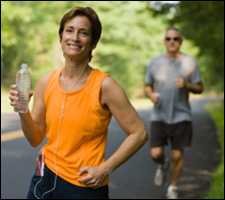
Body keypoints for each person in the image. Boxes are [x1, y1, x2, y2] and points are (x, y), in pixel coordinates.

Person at [9, 7, 147, 199]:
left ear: (93, 43)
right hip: (44, 176)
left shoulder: (105, 86)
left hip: (83, 186)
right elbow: (35, 139)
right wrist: (22, 110)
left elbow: (139, 133)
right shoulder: (45, 82)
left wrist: (105, 168)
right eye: (69, 30)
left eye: (83, 33)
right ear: (61, 37)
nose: (75, 37)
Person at [144, 27, 204, 199]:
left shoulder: (189, 62)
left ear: (181, 42)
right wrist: (150, 95)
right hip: (159, 115)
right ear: (164, 41)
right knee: (156, 153)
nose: (172, 42)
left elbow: (200, 87)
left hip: (181, 115)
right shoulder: (155, 62)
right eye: (169, 38)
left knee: (177, 155)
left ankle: (173, 187)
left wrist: (187, 85)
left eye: (176, 39)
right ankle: (162, 165)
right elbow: (147, 85)